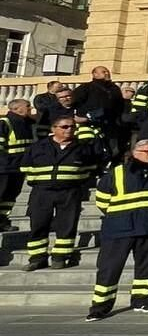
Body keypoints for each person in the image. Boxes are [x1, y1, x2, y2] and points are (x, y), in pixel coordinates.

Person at [86, 138, 148, 321]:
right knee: (109, 268)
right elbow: (102, 199)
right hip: (119, 227)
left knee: (147, 265)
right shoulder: (117, 172)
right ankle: (100, 306)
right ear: (135, 153)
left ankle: (142, 300)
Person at [20, 114, 100, 270]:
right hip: (42, 191)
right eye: (64, 127)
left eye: (72, 127)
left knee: (67, 225)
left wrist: (72, 179)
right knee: (38, 224)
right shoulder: (38, 147)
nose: (69, 130)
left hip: (70, 191)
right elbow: (25, 167)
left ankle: (60, 257)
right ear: (53, 129)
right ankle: (37, 258)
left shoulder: (83, 148)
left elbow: (90, 168)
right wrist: (41, 180)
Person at [0, 99, 35, 231]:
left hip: (18, 168)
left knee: (10, 197)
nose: (30, 108)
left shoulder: (26, 124)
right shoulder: (5, 123)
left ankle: (2, 221)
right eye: (27, 106)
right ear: (17, 109)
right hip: (4, 169)